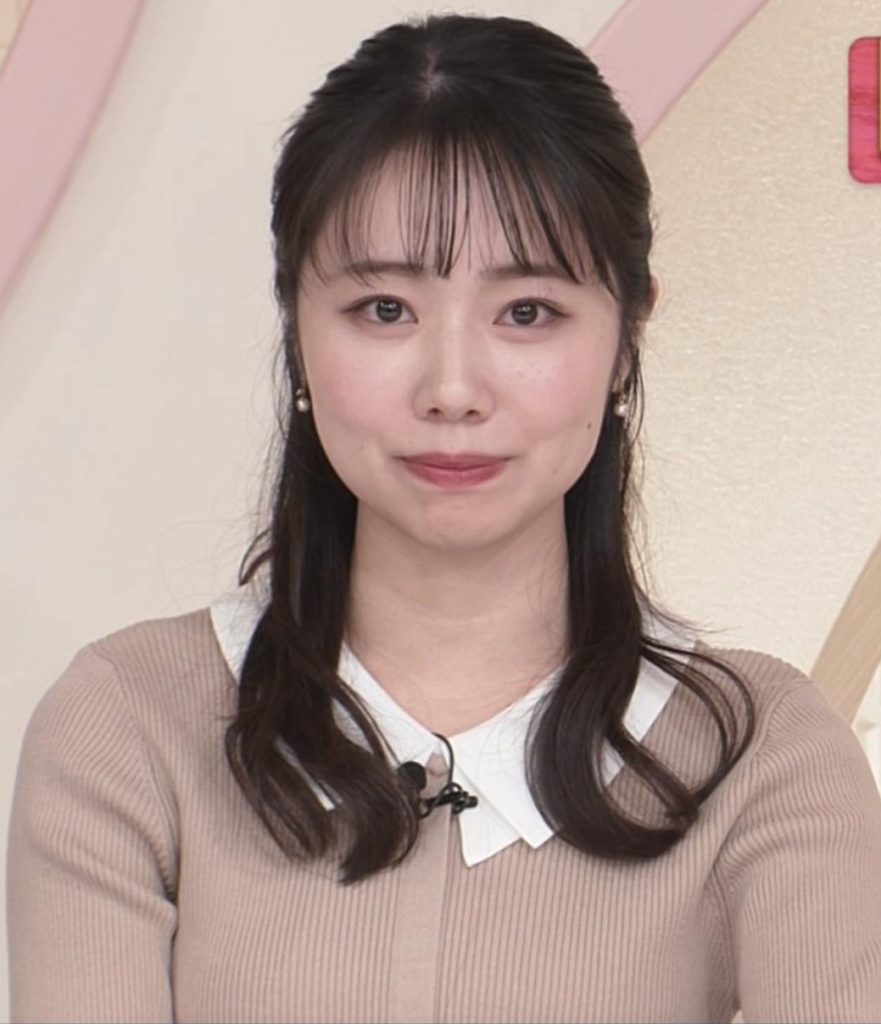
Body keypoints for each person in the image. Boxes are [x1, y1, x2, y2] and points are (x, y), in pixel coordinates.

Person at [7, 13, 881, 1023]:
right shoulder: (127, 726)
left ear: (625, 335)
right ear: (296, 326)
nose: (452, 388)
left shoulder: (764, 758)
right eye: (384, 309)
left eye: (527, 312)